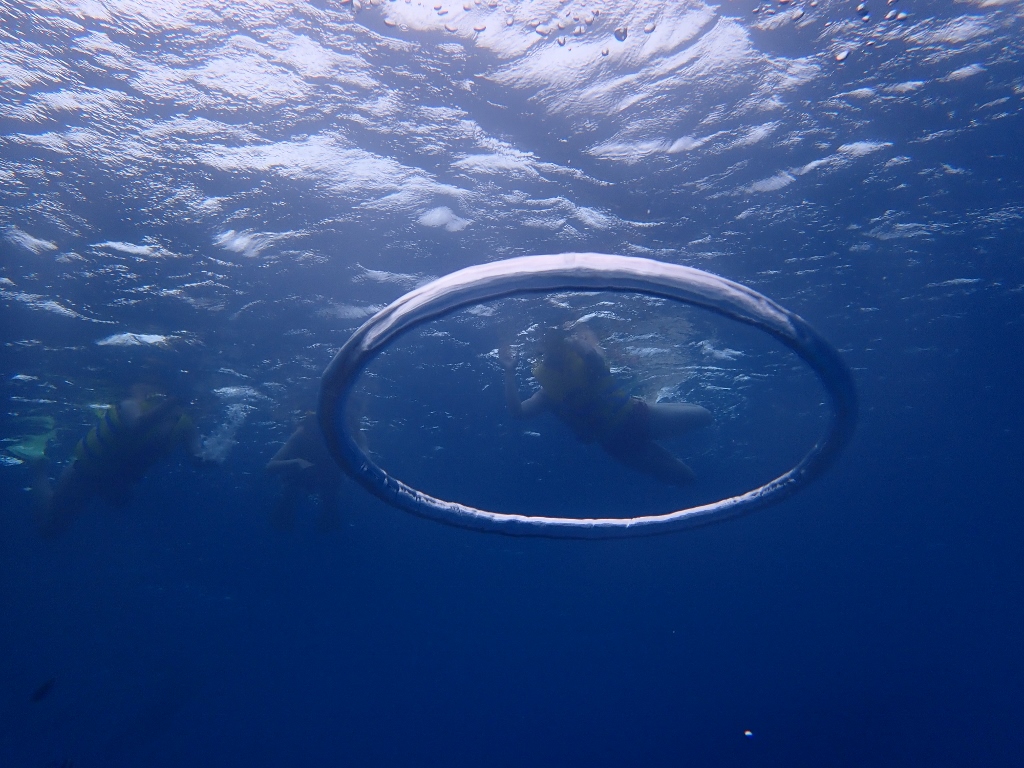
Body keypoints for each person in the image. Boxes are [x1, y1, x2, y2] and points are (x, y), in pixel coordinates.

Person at [500, 328, 713, 487]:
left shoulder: (585, 360)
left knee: (705, 416)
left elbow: (600, 365)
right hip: (619, 443)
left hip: (636, 416)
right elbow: (518, 412)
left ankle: (651, 400)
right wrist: (509, 371)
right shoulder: (548, 395)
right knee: (687, 478)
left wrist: (584, 347)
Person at [31, 385, 205, 537]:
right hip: (89, 470)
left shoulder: (187, 426)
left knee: (120, 503)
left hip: (116, 479)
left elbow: (197, 456)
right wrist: (173, 402)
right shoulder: (132, 405)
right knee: (49, 528)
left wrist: (213, 455)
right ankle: (38, 470)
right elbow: (137, 426)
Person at [264, 412, 342, 531]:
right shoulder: (300, 434)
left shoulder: (337, 436)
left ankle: (328, 526)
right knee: (289, 494)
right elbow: (270, 466)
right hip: (301, 475)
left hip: (326, 476)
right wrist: (297, 462)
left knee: (329, 501)